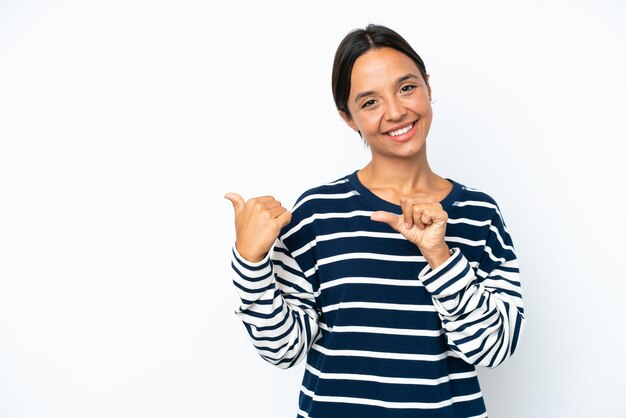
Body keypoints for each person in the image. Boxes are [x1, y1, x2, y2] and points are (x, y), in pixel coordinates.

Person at [224, 24, 525, 418]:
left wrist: (440, 256)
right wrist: (250, 264)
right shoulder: (317, 212)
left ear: (428, 87)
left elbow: (494, 349)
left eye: (406, 87)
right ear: (348, 118)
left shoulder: (478, 214)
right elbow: (283, 351)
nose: (397, 111)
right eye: (369, 102)